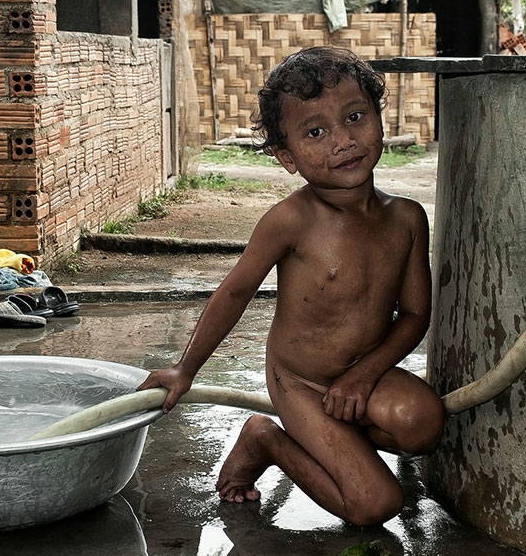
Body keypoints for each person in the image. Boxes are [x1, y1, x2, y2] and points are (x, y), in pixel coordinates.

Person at [137, 46, 445, 527]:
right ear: (287, 156)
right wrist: (184, 369)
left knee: (422, 425)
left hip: (363, 374)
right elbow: (233, 295)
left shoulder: (406, 217)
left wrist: (364, 375)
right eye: (316, 132)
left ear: (380, 118)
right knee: (374, 505)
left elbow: (414, 315)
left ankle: (336, 435)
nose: (343, 141)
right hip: (299, 383)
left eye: (356, 116)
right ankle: (267, 438)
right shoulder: (290, 221)